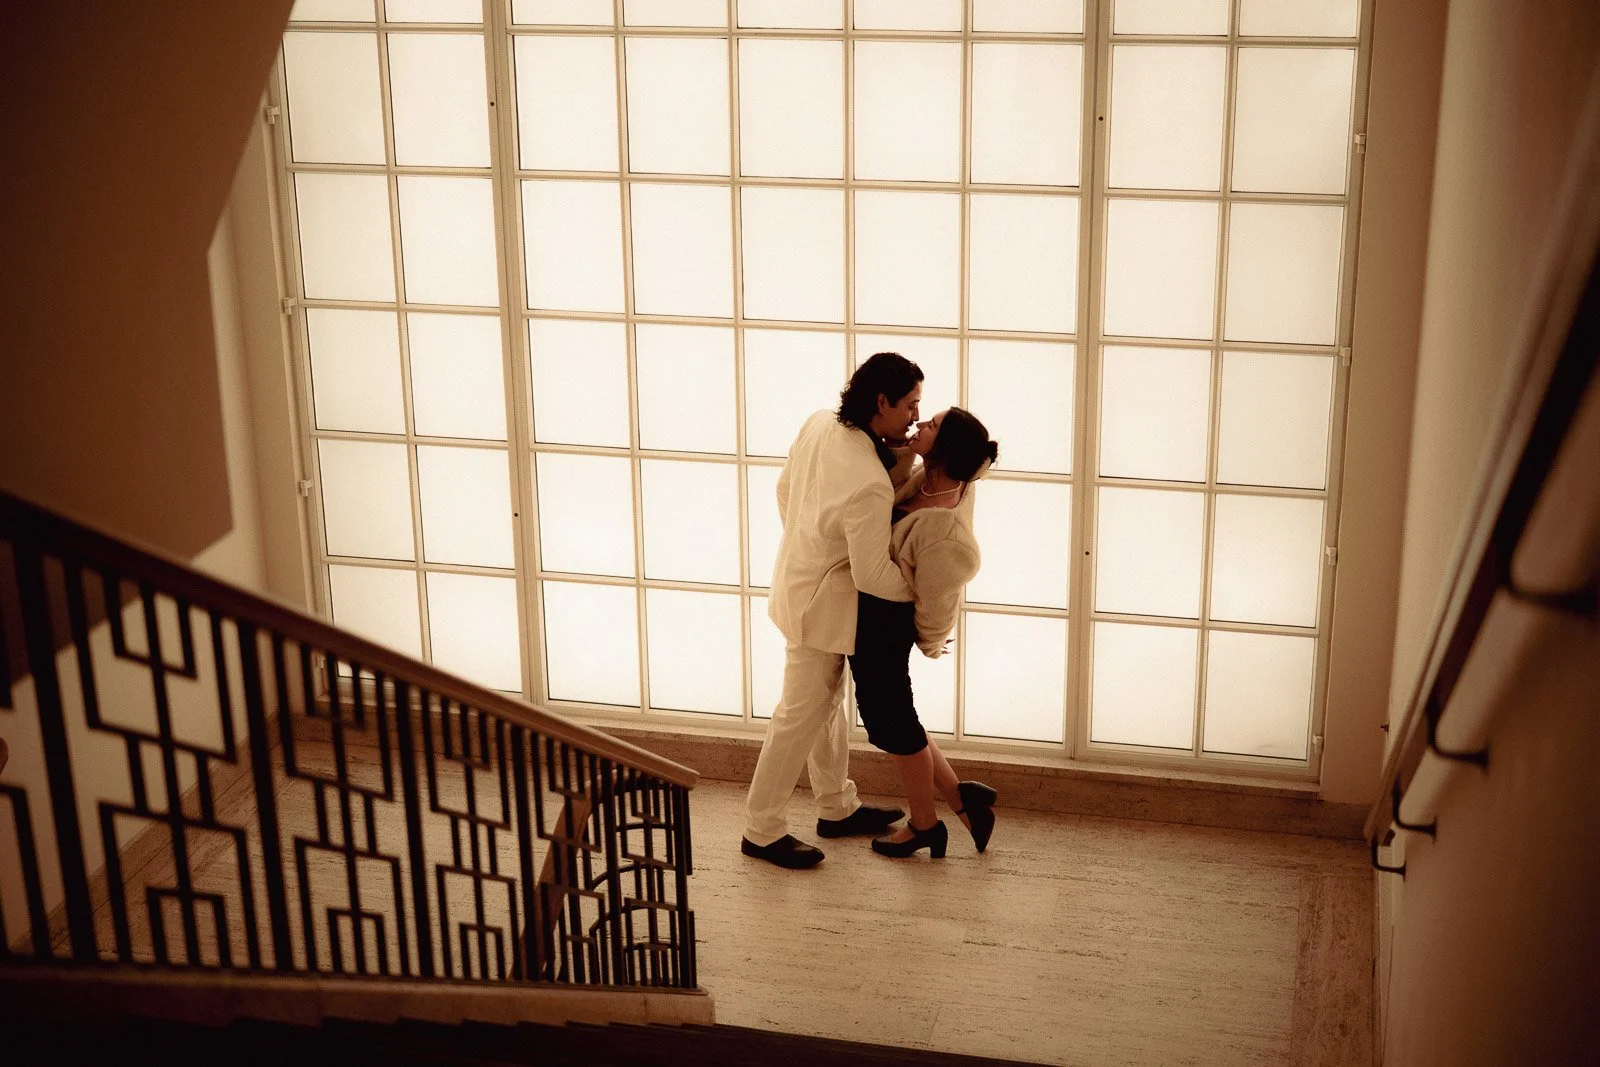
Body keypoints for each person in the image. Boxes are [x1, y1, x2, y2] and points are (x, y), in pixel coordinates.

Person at [740, 353, 925, 869]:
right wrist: (923, 598)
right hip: (821, 607)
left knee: (825, 707)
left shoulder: (821, 421)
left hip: (797, 581)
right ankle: (761, 828)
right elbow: (872, 576)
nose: (915, 415)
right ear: (882, 401)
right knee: (800, 715)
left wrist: (811, 542)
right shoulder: (867, 480)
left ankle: (836, 807)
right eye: (910, 404)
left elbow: (784, 492)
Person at [848, 407, 1001, 859]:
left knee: (895, 725)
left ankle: (924, 825)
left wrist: (932, 642)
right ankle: (962, 800)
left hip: (889, 624)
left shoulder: (945, 528)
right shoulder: (930, 478)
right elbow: (887, 494)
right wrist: (901, 454)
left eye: (930, 425)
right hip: (872, 614)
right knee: (900, 718)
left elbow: (937, 599)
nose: (919, 425)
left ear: (945, 448)